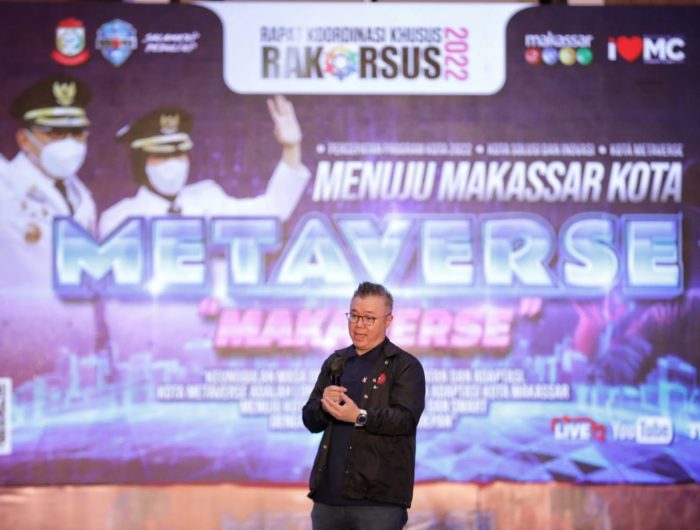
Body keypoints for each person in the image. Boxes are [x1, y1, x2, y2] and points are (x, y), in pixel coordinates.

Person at [302, 282, 426, 530]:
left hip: (378, 502)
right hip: (327, 500)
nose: (359, 325)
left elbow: (404, 420)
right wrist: (323, 407)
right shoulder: (336, 362)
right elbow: (309, 419)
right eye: (354, 315)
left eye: (369, 318)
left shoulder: (405, 366)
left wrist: (359, 416)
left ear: (388, 320)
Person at [0, 74, 98, 384]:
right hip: (16, 351)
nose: (69, 144)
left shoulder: (83, 197)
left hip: (78, 352)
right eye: (55, 133)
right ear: (24, 139)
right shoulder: (5, 186)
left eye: (77, 133)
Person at [98, 95, 310, 236]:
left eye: (179, 154)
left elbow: (272, 211)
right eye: (161, 155)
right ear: (140, 162)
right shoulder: (119, 219)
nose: (173, 163)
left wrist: (291, 147)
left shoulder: (208, 200)